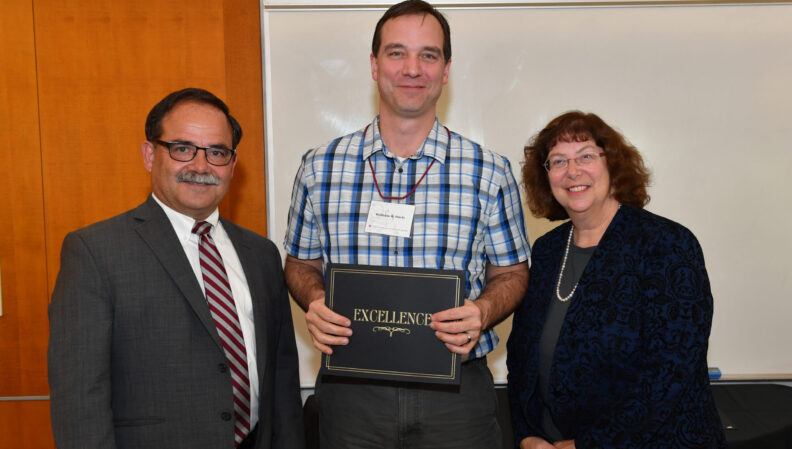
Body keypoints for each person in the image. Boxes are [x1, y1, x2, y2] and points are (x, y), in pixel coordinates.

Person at [283, 1, 530, 447]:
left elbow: (512, 274)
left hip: (457, 396)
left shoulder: (489, 172)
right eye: (397, 53)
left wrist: (483, 311)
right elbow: (299, 263)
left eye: (428, 55)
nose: (412, 68)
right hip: (352, 397)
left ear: (446, 69)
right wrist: (316, 300)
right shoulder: (320, 167)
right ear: (375, 66)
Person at [48, 88, 304, 449]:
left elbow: (282, 380)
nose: (200, 166)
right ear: (150, 154)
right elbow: (79, 399)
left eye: (217, 152)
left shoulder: (261, 254)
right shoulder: (95, 252)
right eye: (183, 149)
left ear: (232, 164)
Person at [507, 111, 726, 449]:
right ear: (545, 176)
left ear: (613, 164)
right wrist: (527, 435)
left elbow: (669, 374)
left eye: (586, 156)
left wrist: (590, 445)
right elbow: (521, 357)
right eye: (558, 161)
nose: (573, 171)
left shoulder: (666, 244)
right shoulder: (548, 250)